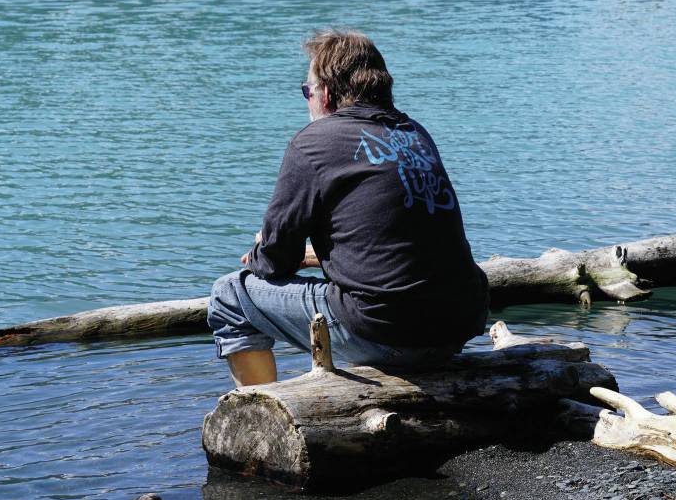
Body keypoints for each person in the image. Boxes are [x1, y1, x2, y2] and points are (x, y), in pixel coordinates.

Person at [207, 29, 489, 386]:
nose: (307, 101)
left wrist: (263, 251)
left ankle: (263, 409)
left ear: (325, 93)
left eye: (306, 91)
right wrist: (310, 256)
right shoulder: (415, 133)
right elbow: (387, 242)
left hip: (390, 334)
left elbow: (273, 261)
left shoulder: (314, 143)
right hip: (457, 326)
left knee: (229, 295)